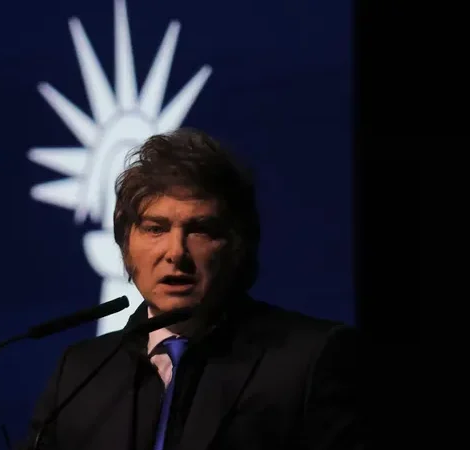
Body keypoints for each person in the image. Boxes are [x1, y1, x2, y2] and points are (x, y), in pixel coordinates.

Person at [19, 128, 366, 450]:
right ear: (126, 245)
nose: (176, 253)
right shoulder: (79, 373)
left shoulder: (310, 360)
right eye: (155, 229)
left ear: (237, 245)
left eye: (200, 230)